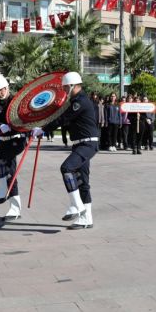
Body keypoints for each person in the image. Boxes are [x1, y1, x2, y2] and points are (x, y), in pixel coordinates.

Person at [33, 72, 98, 230]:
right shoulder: (77, 101)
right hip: (81, 144)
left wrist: (43, 130)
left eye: (65, 87)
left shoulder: (79, 102)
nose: (63, 90)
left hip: (87, 144)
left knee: (66, 168)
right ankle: (86, 218)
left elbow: (63, 119)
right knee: (83, 182)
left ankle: (77, 206)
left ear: (73, 86)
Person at [0, 75, 27, 222]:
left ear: (6, 87)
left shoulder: (16, 101)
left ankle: (2, 190)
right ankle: (15, 209)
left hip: (17, 141)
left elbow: (24, 116)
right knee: (10, 172)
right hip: (4, 141)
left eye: (2, 89)